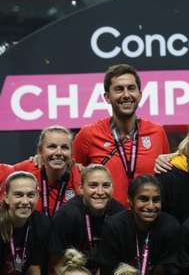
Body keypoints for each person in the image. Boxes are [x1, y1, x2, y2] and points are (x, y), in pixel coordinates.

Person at [72, 64, 170, 207]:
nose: (126, 95)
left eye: (131, 88)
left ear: (140, 95)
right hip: (105, 222)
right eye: (119, 89)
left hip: (146, 219)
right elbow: (71, 171)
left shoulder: (157, 132)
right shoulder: (88, 134)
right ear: (107, 97)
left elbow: (166, 178)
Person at [95, 175, 180, 275]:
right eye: (144, 199)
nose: (151, 205)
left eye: (156, 200)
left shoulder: (170, 227)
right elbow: (107, 272)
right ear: (130, 201)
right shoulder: (115, 225)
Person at [49, 164, 125, 275]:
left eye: (106, 186)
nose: (100, 192)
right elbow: (55, 267)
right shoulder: (66, 216)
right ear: (81, 188)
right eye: (93, 186)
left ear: (112, 188)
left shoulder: (120, 215)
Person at [12, 126, 81, 218]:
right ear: (40, 151)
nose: (59, 152)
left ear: (71, 153)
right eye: (52, 147)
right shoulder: (24, 170)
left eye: (64, 147)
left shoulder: (80, 175)